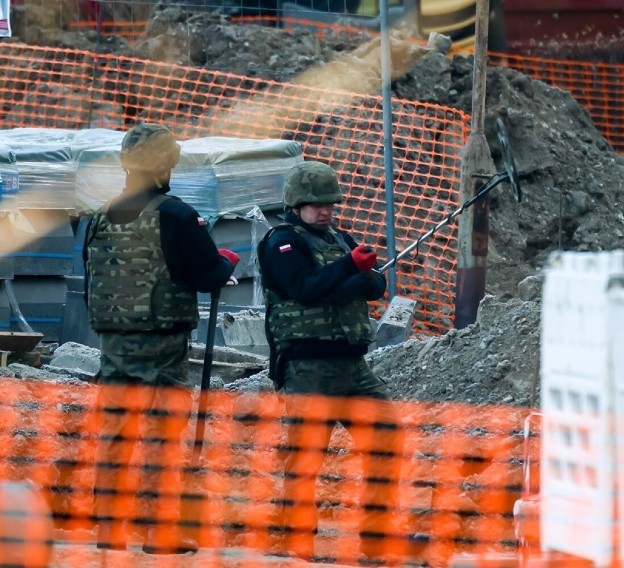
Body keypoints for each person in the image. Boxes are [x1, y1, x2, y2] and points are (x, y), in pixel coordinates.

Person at [84, 123, 240, 555]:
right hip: (162, 348)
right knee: (161, 435)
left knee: (115, 432)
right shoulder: (175, 215)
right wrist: (224, 263)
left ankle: (109, 530)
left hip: (113, 347)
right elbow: (206, 272)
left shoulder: (98, 217)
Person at [257, 161, 410, 563]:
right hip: (309, 367)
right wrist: (349, 272)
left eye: (329, 203)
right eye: (315, 204)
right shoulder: (283, 242)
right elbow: (303, 289)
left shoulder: (339, 239)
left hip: (353, 366)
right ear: (296, 205)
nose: (324, 211)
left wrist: (358, 275)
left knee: (386, 437)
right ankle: (297, 543)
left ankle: (374, 540)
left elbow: (376, 283)